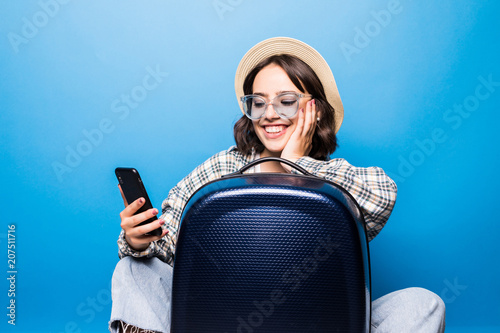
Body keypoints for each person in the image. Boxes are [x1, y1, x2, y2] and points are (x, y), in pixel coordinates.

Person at [109, 37, 446, 333]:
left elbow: (381, 197)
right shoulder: (222, 168)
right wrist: (140, 239)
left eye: (286, 101)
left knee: (422, 304)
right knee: (132, 270)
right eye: (258, 102)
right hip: (220, 318)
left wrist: (297, 163)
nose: (270, 113)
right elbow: (169, 246)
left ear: (314, 110)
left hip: (320, 320)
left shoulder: (335, 178)